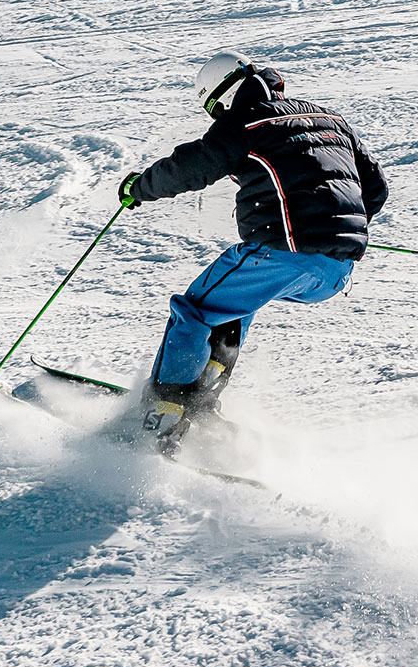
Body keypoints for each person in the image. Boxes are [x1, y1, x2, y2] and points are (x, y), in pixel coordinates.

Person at [115, 53, 388, 447]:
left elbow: (191, 166)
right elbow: (375, 189)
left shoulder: (246, 121)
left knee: (195, 310)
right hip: (336, 270)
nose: (216, 118)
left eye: (213, 109)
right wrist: (337, 226)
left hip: (282, 254)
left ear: (222, 97)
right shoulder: (331, 120)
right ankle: (201, 399)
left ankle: (165, 410)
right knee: (232, 309)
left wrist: (139, 187)